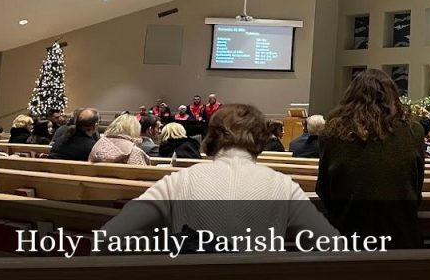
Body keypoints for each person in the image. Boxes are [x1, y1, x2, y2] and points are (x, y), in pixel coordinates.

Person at [102, 103, 336, 243]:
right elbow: (332, 246)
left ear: (211, 137)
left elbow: (107, 238)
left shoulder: (178, 182)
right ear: (261, 140)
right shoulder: (284, 187)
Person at [318, 69, 425, 249]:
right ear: (392, 97)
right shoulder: (413, 131)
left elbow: (324, 190)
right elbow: (416, 186)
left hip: (347, 238)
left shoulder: (331, 133)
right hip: (401, 239)